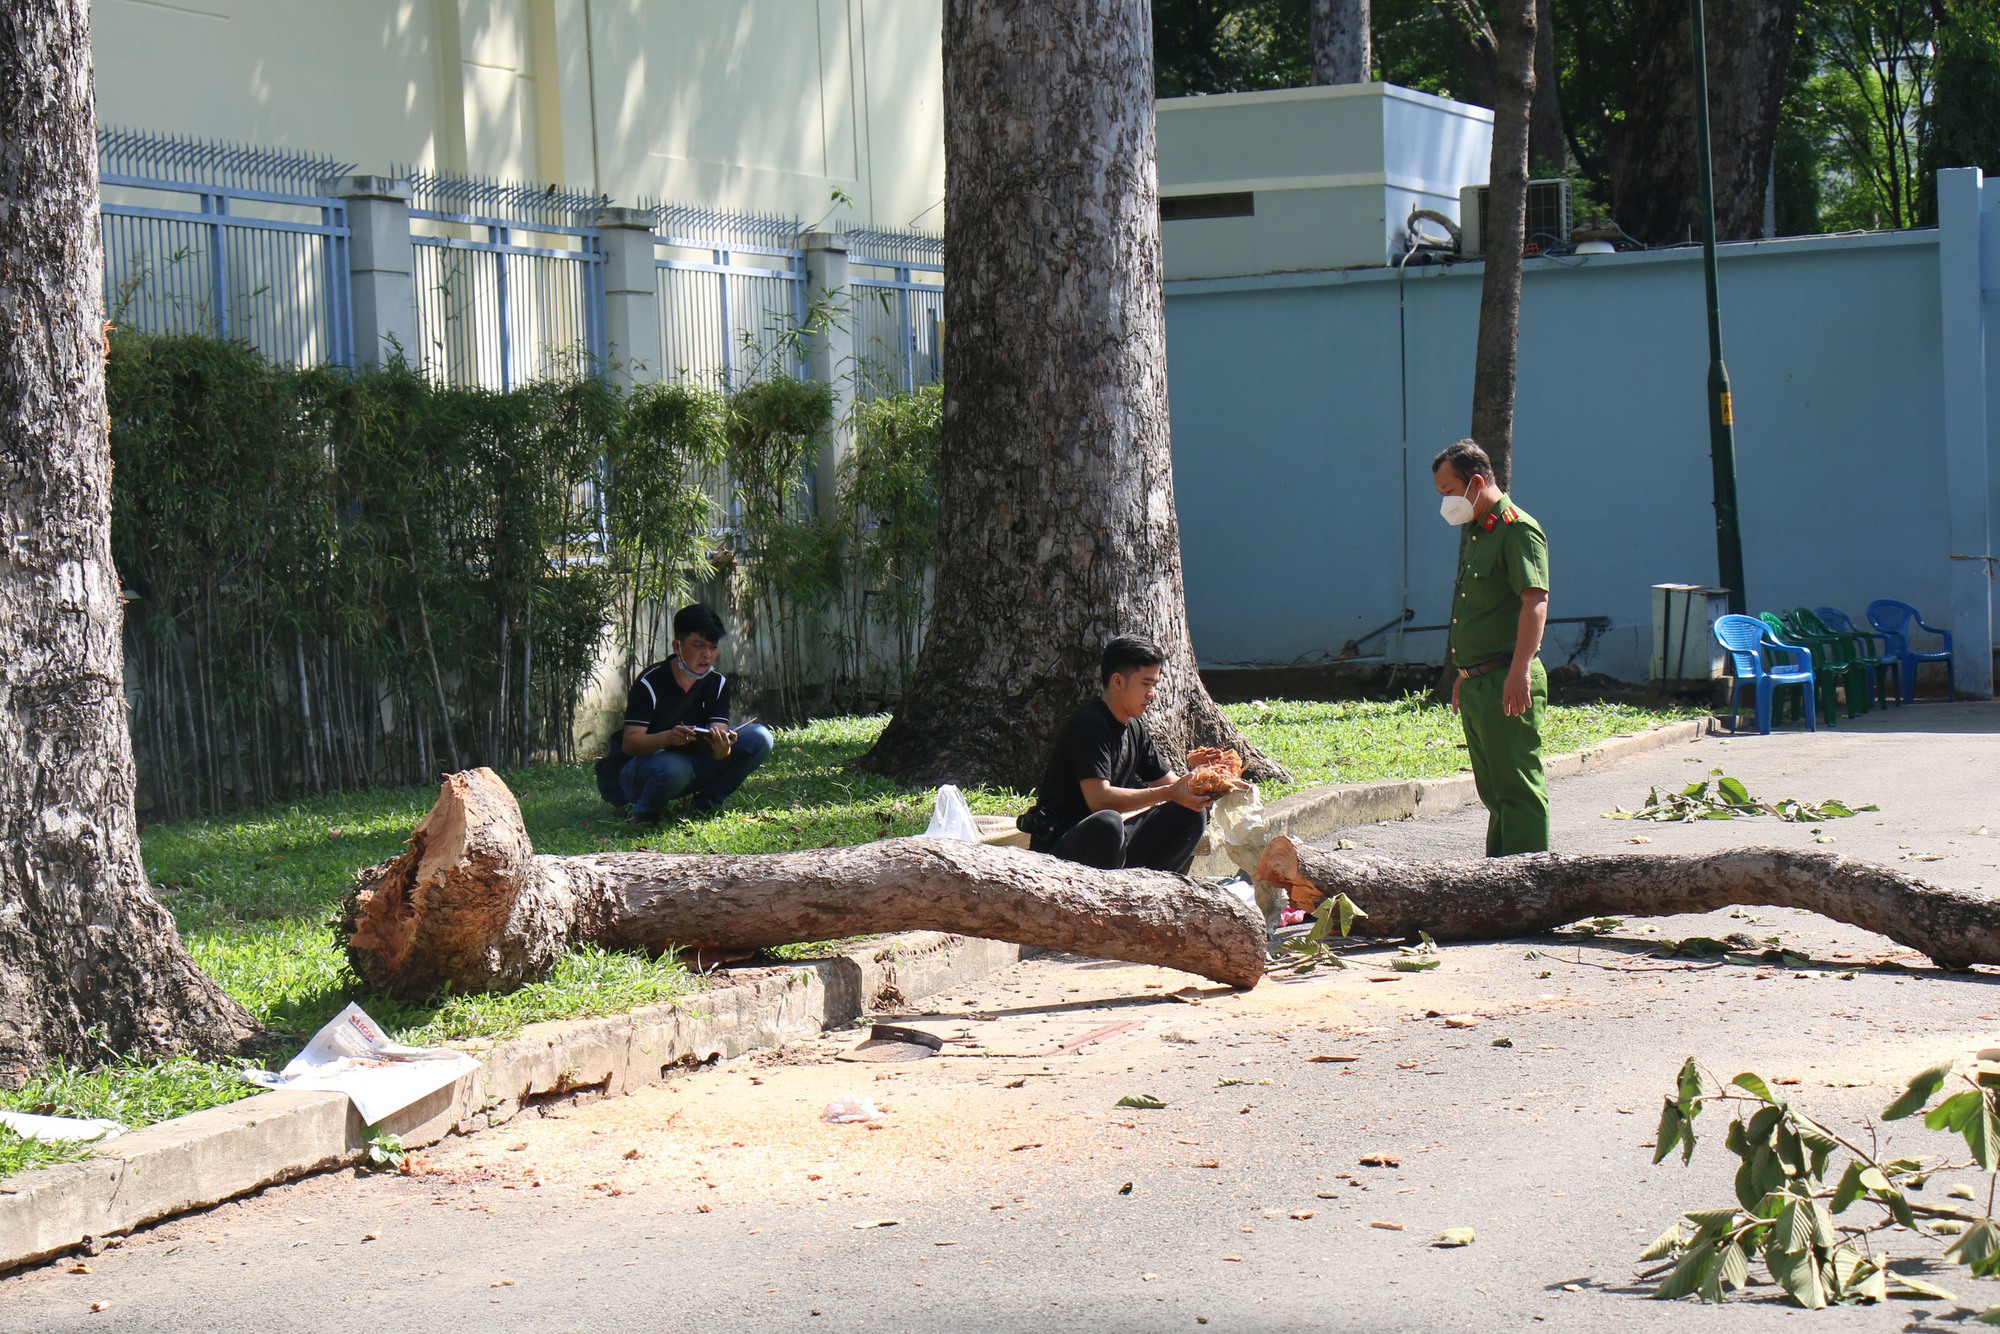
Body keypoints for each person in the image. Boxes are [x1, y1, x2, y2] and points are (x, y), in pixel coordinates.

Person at [1019, 634, 1237, 872]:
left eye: (1154, 685)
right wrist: (1170, 792)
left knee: (1189, 813)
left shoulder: (1134, 728)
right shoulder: (1089, 724)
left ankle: (1154, 892)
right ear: (1117, 681)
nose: (1152, 694)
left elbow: (1175, 787)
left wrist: (1207, 779)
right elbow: (1099, 799)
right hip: (1062, 855)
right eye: (1146, 684)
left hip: (1110, 852)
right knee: (1108, 822)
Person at [1432, 438, 1551, 856]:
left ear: (1477, 481)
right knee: (1495, 791)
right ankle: (1500, 882)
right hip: (1481, 681)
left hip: (1508, 677)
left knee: (1517, 788)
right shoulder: (1480, 532)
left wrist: (1519, 670)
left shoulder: (1517, 529)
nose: (1445, 502)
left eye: (1449, 491)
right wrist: (1465, 676)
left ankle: (1528, 888)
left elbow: (1535, 601)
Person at [606, 603, 774, 823]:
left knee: (760, 738)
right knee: (677, 767)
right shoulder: (650, 682)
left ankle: (708, 804)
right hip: (644, 770)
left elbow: (718, 734)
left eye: (713, 647)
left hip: (692, 764)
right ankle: (645, 811)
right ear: (677, 646)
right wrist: (667, 737)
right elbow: (630, 744)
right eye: (698, 645)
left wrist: (722, 748)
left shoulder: (718, 683)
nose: (707, 655)